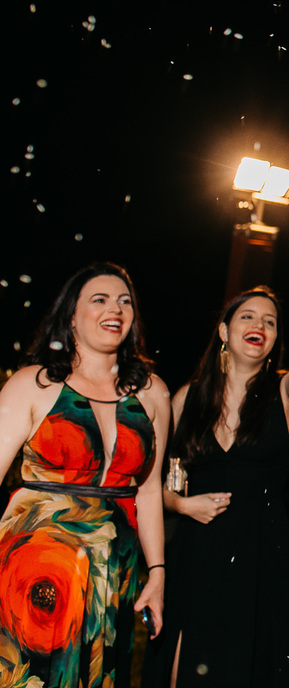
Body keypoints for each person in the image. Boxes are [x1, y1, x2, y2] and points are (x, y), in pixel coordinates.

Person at [141, 287, 289, 688]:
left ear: (274, 339)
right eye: (248, 317)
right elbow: (157, 486)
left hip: (259, 553)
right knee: (180, 666)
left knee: (248, 664)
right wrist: (183, 506)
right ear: (224, 332)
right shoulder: (187, 398)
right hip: (196, 553)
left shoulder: (285, 395)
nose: (259, 325)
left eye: (269, 321)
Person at [0, 262, 170, 687]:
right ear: (71, 317)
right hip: (33, 567)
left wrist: (157, 572)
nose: (116, 309)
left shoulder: (153, 393)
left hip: (114, 567)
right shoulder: (33, 384)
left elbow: (149, 492)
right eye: (100, 299)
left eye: (125, 301)